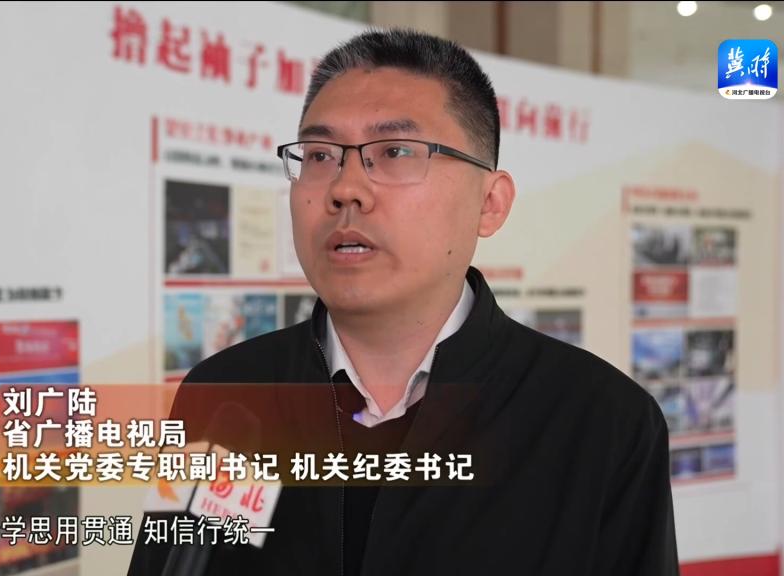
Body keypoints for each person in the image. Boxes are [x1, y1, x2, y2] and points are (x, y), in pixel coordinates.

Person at [130, 29, 678, 575]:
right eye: (319, 155)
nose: (345, 188)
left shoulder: (602, 422)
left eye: (394, 152)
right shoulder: (225, 396)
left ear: (490, 203)